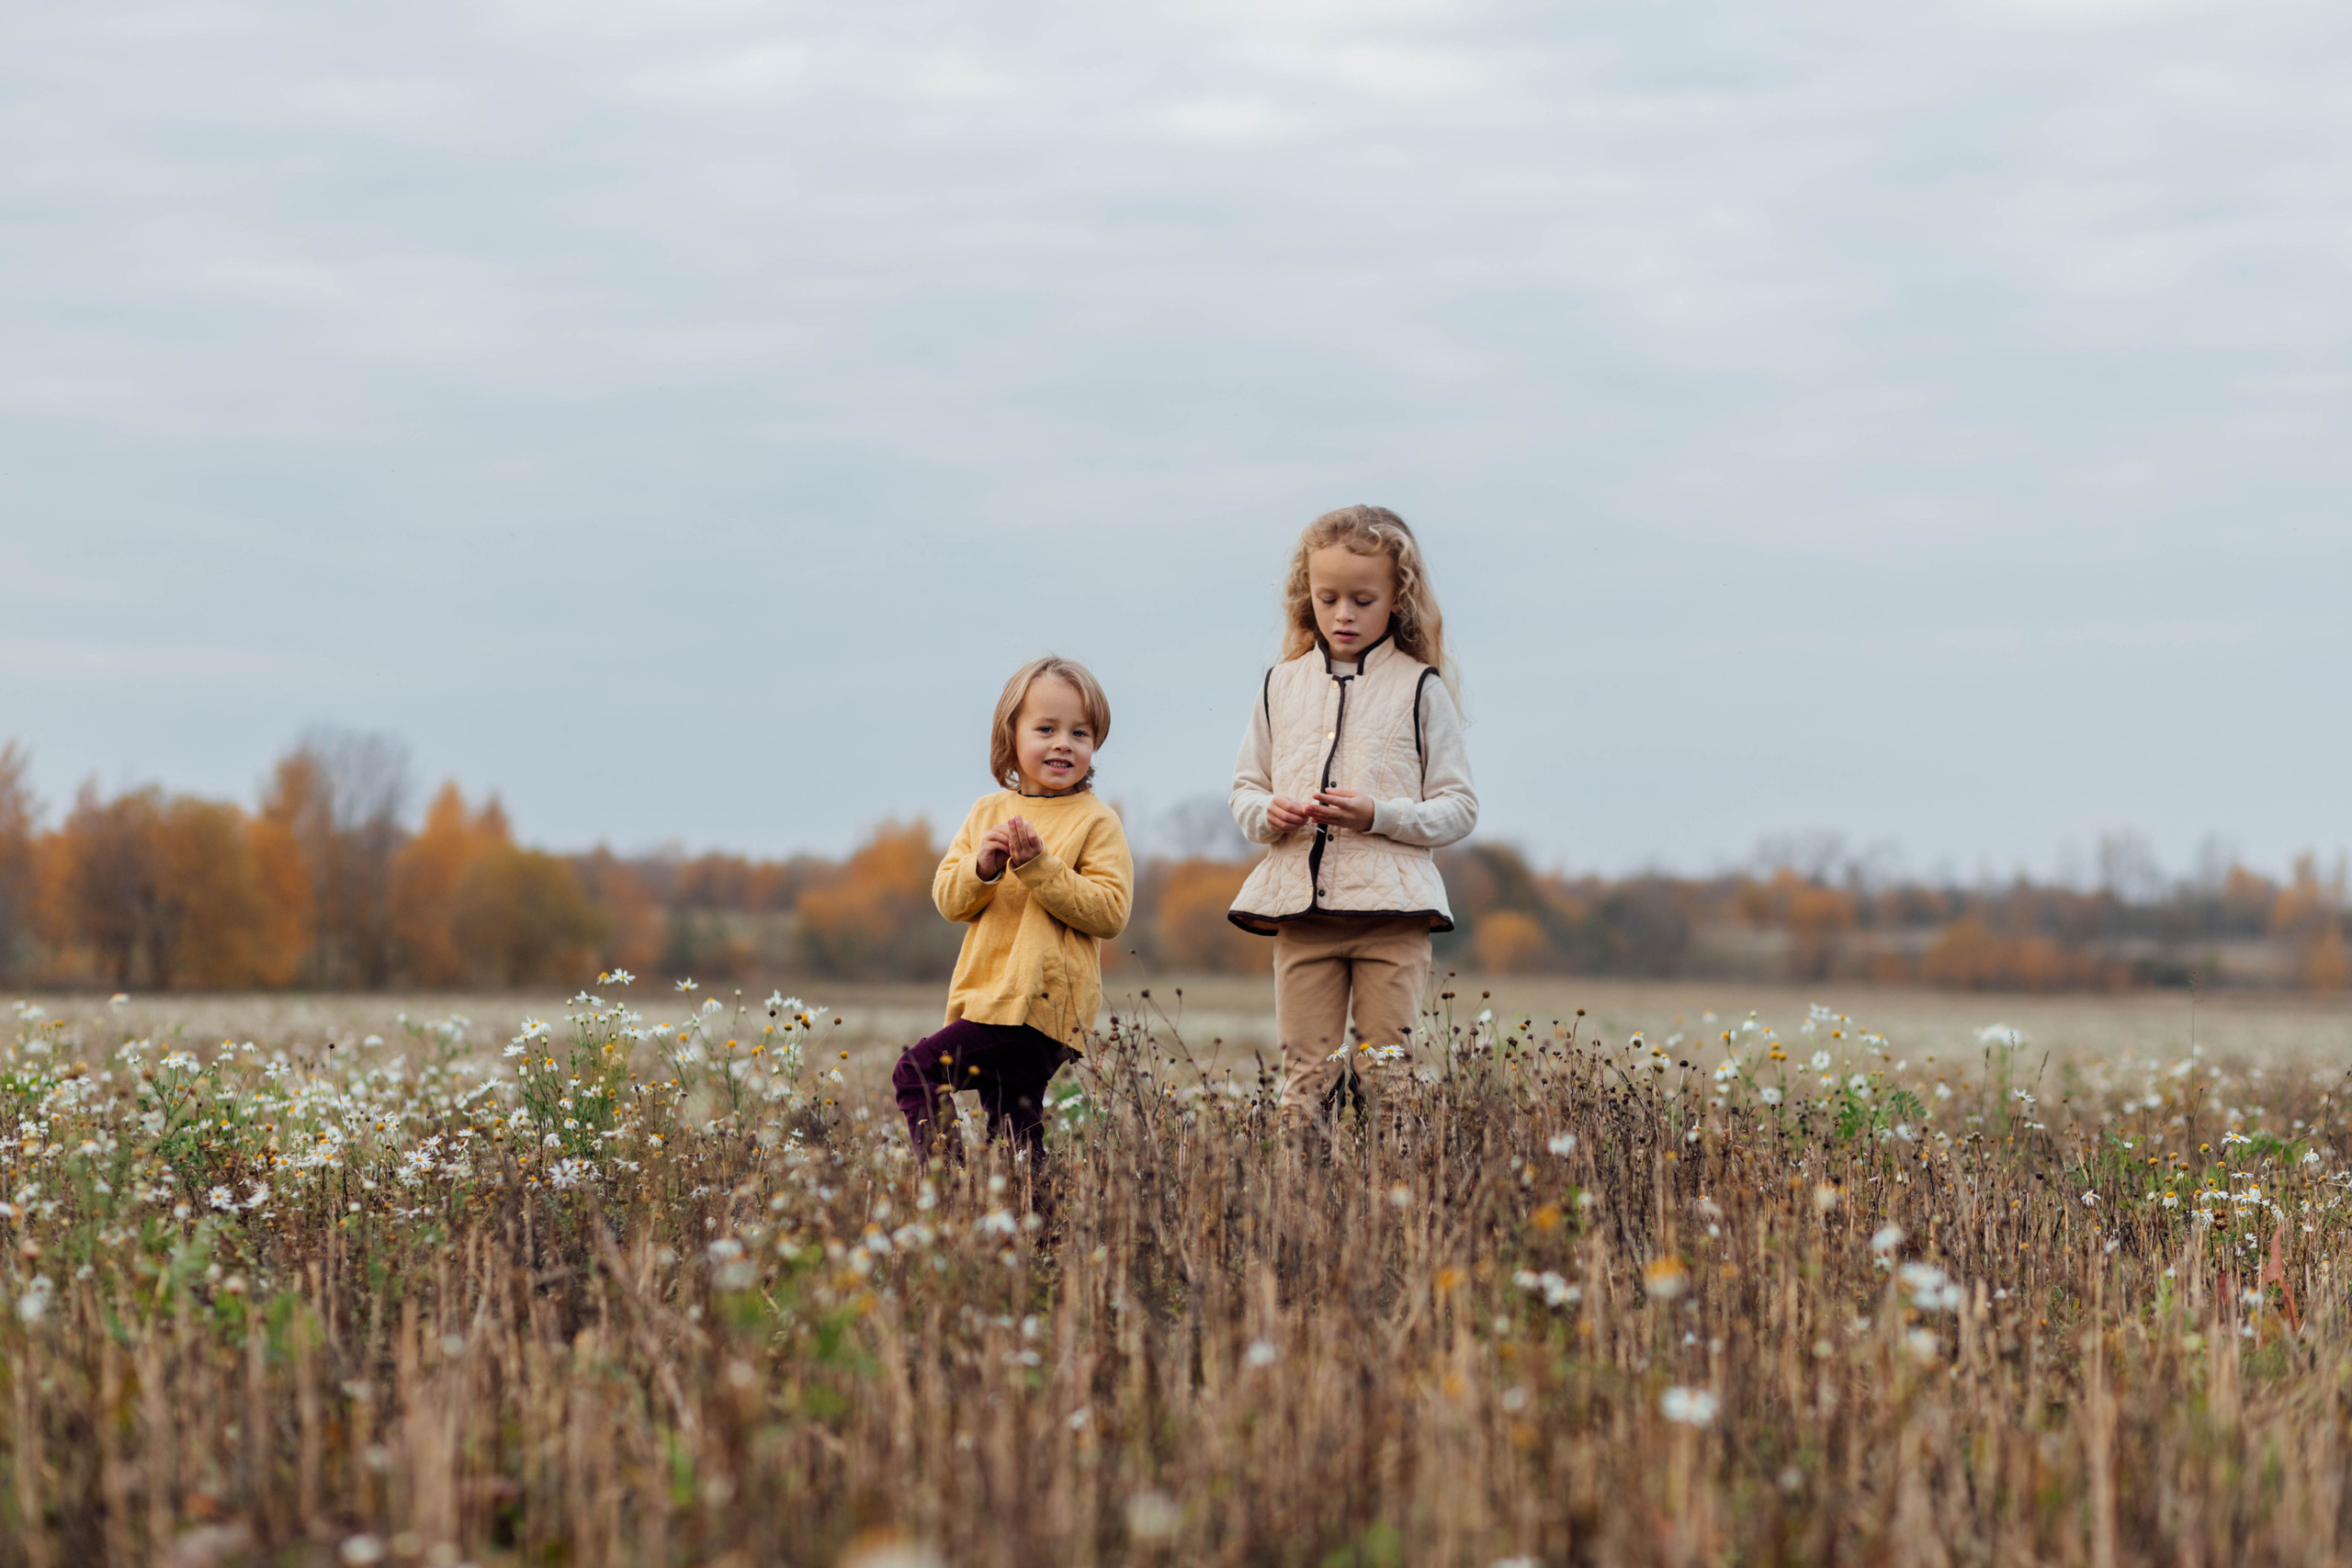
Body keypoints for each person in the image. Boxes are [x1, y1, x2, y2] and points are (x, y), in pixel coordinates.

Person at [1227, 505, 1477, 1133]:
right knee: (1303, 1083)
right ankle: (1297, 1221)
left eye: (1362, 599)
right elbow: (1244, 790)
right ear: (1306, 595)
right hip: (1300, 917)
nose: (1343, 614)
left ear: (1397, 599)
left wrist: (1378, 814)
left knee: (1387, 1079)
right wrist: (1269, 812)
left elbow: (1459, 807)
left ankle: (1393, 1217)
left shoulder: (1422, 688)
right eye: (1327, 597)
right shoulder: (1279, 685)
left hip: (1392, 919)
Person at [892, 655, 1133, 1167]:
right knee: (1014, 1137)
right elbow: (949, 902)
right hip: (988, 999)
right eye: (1046, 728)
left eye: (1081, 733)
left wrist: (1040, 867)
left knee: (917, 1071)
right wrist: (983, 866)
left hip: (1039, 1007)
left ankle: (948, 1191)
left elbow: (1111, 912)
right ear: (1011, 736)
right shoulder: (987, 813)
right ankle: (1035, 1229)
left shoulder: (1096, 821)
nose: (1063, 743)